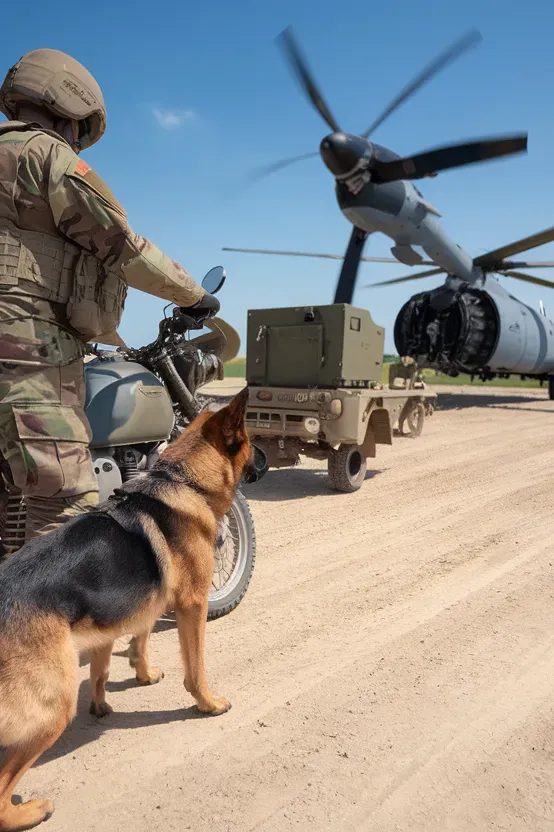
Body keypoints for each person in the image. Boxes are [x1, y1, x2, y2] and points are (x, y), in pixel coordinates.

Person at [0, 48, 220, 551]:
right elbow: (123, 246)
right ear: (69, 108)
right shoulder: (46, 158)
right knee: (64, 512)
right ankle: (55, 629)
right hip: (27, 354)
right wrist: (194, 294)